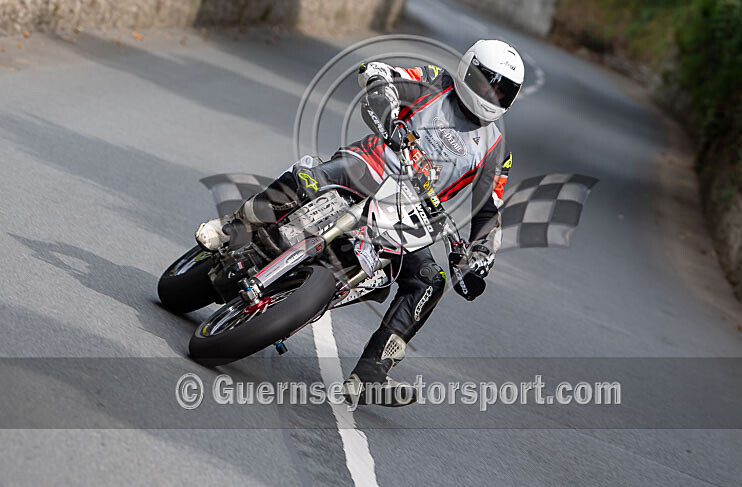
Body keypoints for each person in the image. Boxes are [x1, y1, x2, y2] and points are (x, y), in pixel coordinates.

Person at [195, 39, 524, 406]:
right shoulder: (434, 80)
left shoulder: (496, 146)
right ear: (468, 68)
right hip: (369, 165)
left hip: (410, 212)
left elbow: (489, 208)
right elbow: (378, 72)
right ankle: (234, 225)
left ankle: (371, 373)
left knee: (431, 281)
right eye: (486, 82)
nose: (491, 94)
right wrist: (386, 108)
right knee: (309, 179)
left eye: (501, 90)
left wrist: (479, 255)